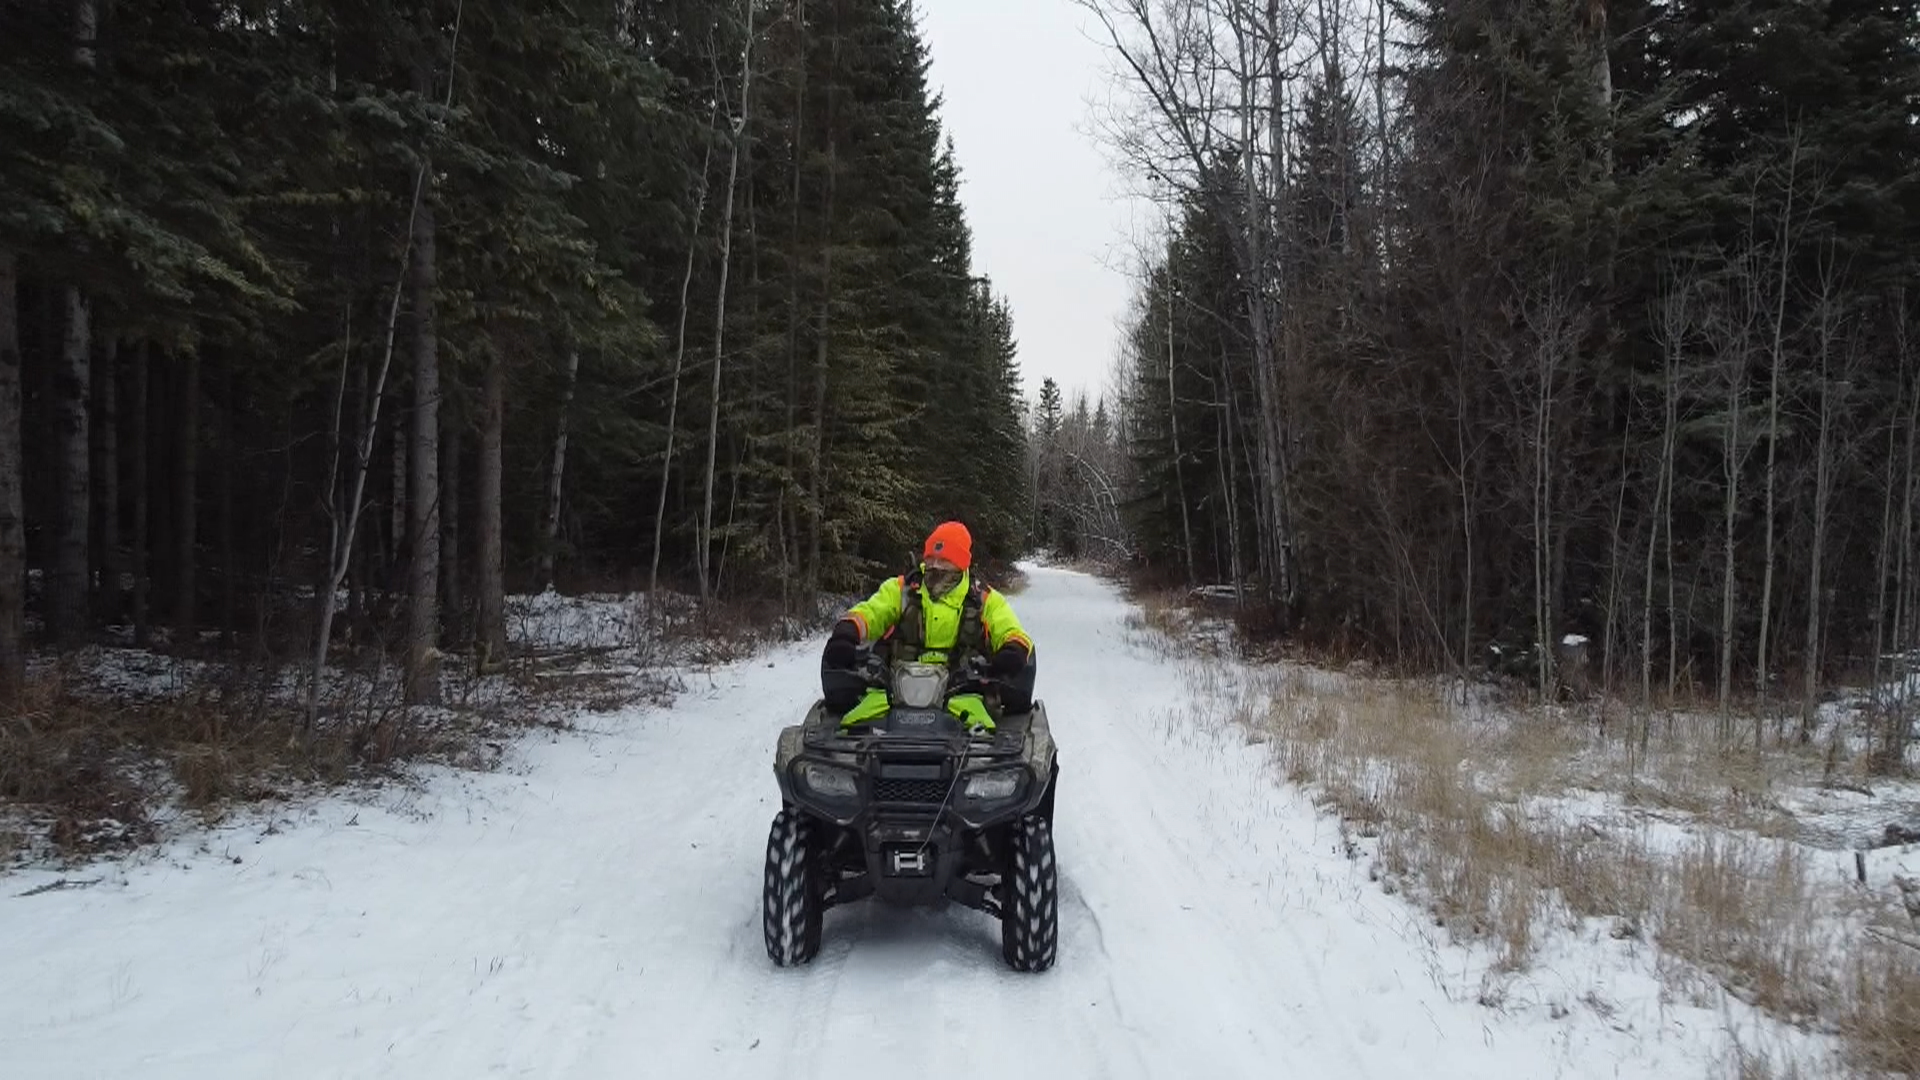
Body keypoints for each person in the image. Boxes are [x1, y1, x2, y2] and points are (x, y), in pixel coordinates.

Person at [820, 521, 1035, 728]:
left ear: (960, 563)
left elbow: (1010, 629)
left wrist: (1012, 649)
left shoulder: (985, 599)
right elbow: (873, 611)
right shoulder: (903, 589)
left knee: (982, 735)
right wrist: (848, 630)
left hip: (963, 690)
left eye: (943, 560)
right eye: (930, 559)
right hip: (894, 689)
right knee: (854, 725)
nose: (934, 566)